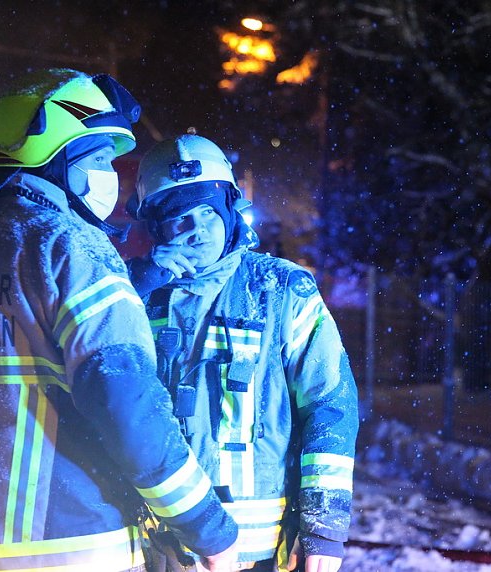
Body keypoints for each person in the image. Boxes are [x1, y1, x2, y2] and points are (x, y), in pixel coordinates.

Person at [0, 70, 239, 572]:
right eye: (100, 159)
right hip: (73, 555)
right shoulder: (72, 250)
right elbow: (126, 401)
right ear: (60, 158)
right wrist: (207, 525)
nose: (110, 178)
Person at [124, 134, 359, 572]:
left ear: (231, 212)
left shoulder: (282, 289)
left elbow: (329, 405)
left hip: (258, 553)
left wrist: (323, 529)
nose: (197, 229)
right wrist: (137, 285)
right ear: (155, 225)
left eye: (208, 214)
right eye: (179, 217)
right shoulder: (128, 296)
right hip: (155, 548)